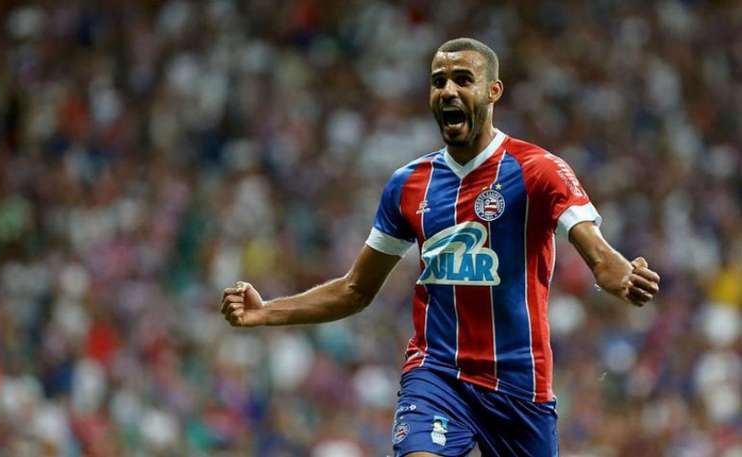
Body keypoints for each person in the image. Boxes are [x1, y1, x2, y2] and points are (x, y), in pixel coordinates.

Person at [220, 37, 661, 457]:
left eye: (462, 80)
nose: (448, 90)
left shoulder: (537, 170)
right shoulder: (408, 185)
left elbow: (600, 258)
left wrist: (623, 277)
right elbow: (356, 289)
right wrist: (266, 312)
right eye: (438, 81)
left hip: (520, 387)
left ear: (493, 91)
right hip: (437, 376)